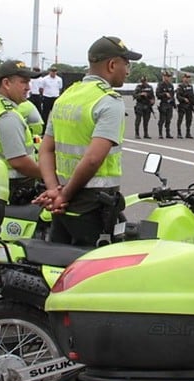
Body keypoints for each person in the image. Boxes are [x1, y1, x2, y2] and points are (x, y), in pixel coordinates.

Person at [34, 35, 142, 246]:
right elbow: (93, 159)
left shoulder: (67, 95)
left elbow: (46, 149)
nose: (127, 71)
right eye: (126, 64)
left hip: (62, 203)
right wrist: (64, 195)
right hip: (92, 205)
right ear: (112, 64)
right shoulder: (109, 101)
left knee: (59, 265)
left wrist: (54, 189)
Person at [0, 60, 43, 204]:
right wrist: (47, 175)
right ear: (6, 83)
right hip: (12, 186)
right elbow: (18, 162)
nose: (28, 88)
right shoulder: (7, 116)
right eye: (23, 82)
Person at [175, 73, 194, 138]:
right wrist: (184, 99)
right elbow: (178, 96)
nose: (187, 79)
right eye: (186, 77)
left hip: (189, 105)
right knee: (180, 119)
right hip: (182, 105)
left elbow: (192, 96)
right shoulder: (180, 86)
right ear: (183, 78)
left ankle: (188, 133)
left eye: (188, 78)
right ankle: (179, 133)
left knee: (189, 120)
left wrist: (193, 104)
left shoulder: (190, 86)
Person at [156, 71, 175, 139]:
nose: (167, 78)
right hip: (163, 104)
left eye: (168, 77)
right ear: (163, 77)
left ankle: (168, 133)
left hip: (169, 104)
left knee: (168, 119)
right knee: (162, 120)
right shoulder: (160, 85)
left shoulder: (171, 85)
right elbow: (157, 94)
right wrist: (164, 94)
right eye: (166, 76)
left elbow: (172, 95)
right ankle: (160, 133)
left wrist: (174, 104)